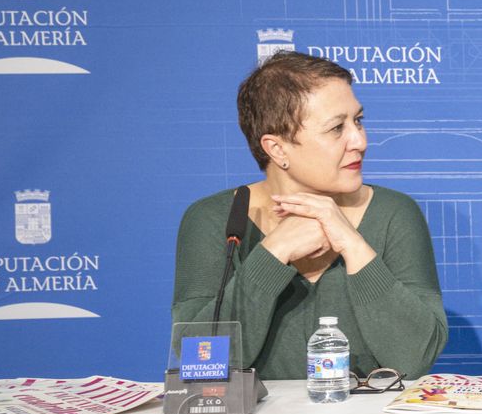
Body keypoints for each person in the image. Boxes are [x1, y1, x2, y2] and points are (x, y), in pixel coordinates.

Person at [171, 52, 447, 380]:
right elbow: (202, 362)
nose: (360, 141)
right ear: (277, 149)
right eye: (336, 128)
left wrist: (353, 245)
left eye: (358, 121)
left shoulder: (394, 213)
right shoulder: (215, 220)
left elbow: (414, 359)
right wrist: (274, 252)